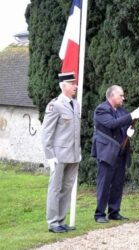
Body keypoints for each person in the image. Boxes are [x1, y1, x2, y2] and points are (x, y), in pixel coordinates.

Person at [91, 85, 139, 223]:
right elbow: (112, 124)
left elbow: (125, 123)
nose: (123, 98)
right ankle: (100, 214)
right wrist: (131, 115)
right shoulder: (102, 109)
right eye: (121, 95)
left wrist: (130, 127)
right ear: (112, 95)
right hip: (107, 152)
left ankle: (114, 211)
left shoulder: (121, 110)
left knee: (117, 184)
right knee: (104, 184)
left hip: (120, 151)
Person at [42, 72, 81, 233]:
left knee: (67, 188)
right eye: (72, 83)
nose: (75, 86)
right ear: (63, 86)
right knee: (55, 188)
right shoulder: (54, 105)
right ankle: (52, 222)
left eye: (75, 83)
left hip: (73, 154)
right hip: (59, 155)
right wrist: (50, 156)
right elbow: (47, 133)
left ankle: (60, 220)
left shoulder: (75, 104)